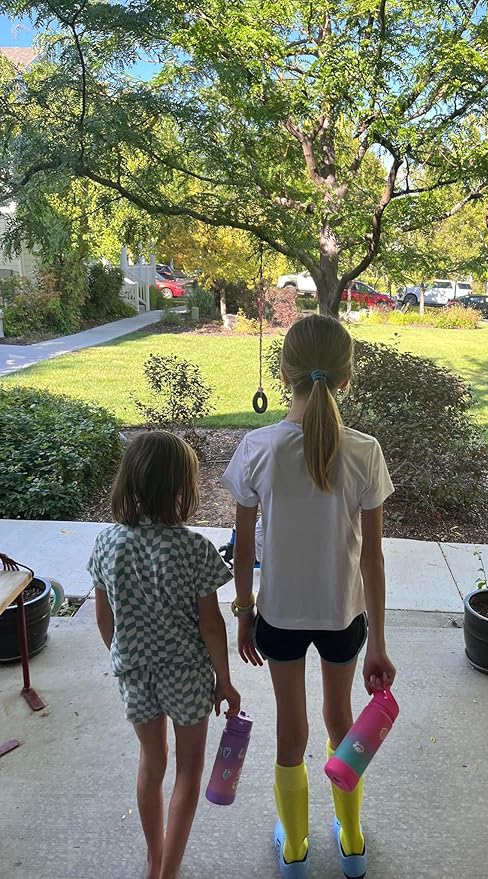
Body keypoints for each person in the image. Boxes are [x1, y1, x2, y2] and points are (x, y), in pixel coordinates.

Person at [222, 314, 396, 879]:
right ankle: (352, 842)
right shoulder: (366, 451)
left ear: (284, 373)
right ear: (347, 378)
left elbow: (243, 548)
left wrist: (244, 613)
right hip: (344, 616)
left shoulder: (258, 447)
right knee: (340, 721)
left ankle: (294, 851)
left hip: (279, 616)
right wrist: (378, 643)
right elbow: (372, 558)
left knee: (290, 728)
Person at [88, 431, 240, 879]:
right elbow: (211, 625)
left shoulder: (107, 543)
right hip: (187, 675)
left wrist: (123, 656)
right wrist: (225, 681)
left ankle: (154, 860)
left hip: (136, 674)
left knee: (151, 763)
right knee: (189, 771)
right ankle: (169, 871)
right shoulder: (194, 548)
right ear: (180, 487)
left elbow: (103, 618)